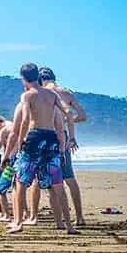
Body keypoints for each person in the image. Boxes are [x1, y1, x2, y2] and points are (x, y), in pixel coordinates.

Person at [2, 63, 77, 235]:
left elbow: (26, 119)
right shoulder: (51, 94)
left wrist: (21, 141)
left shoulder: (27, 95)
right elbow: (67, 113)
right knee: (58, 183)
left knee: (21, 181)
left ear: (23, 78)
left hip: (35, 137)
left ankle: (18, 222)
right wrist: (64, 142)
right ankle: (69, 226)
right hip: (51, 138)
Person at [35, 66, 88, 226]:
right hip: (63, 136)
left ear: (40, 80)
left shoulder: (43, 93)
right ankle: (79, 217)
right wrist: (69, 130)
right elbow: (82, 116)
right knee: (69, 178)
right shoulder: (67, 92)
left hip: (47, 136)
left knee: (49, 180)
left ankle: (57, 219)